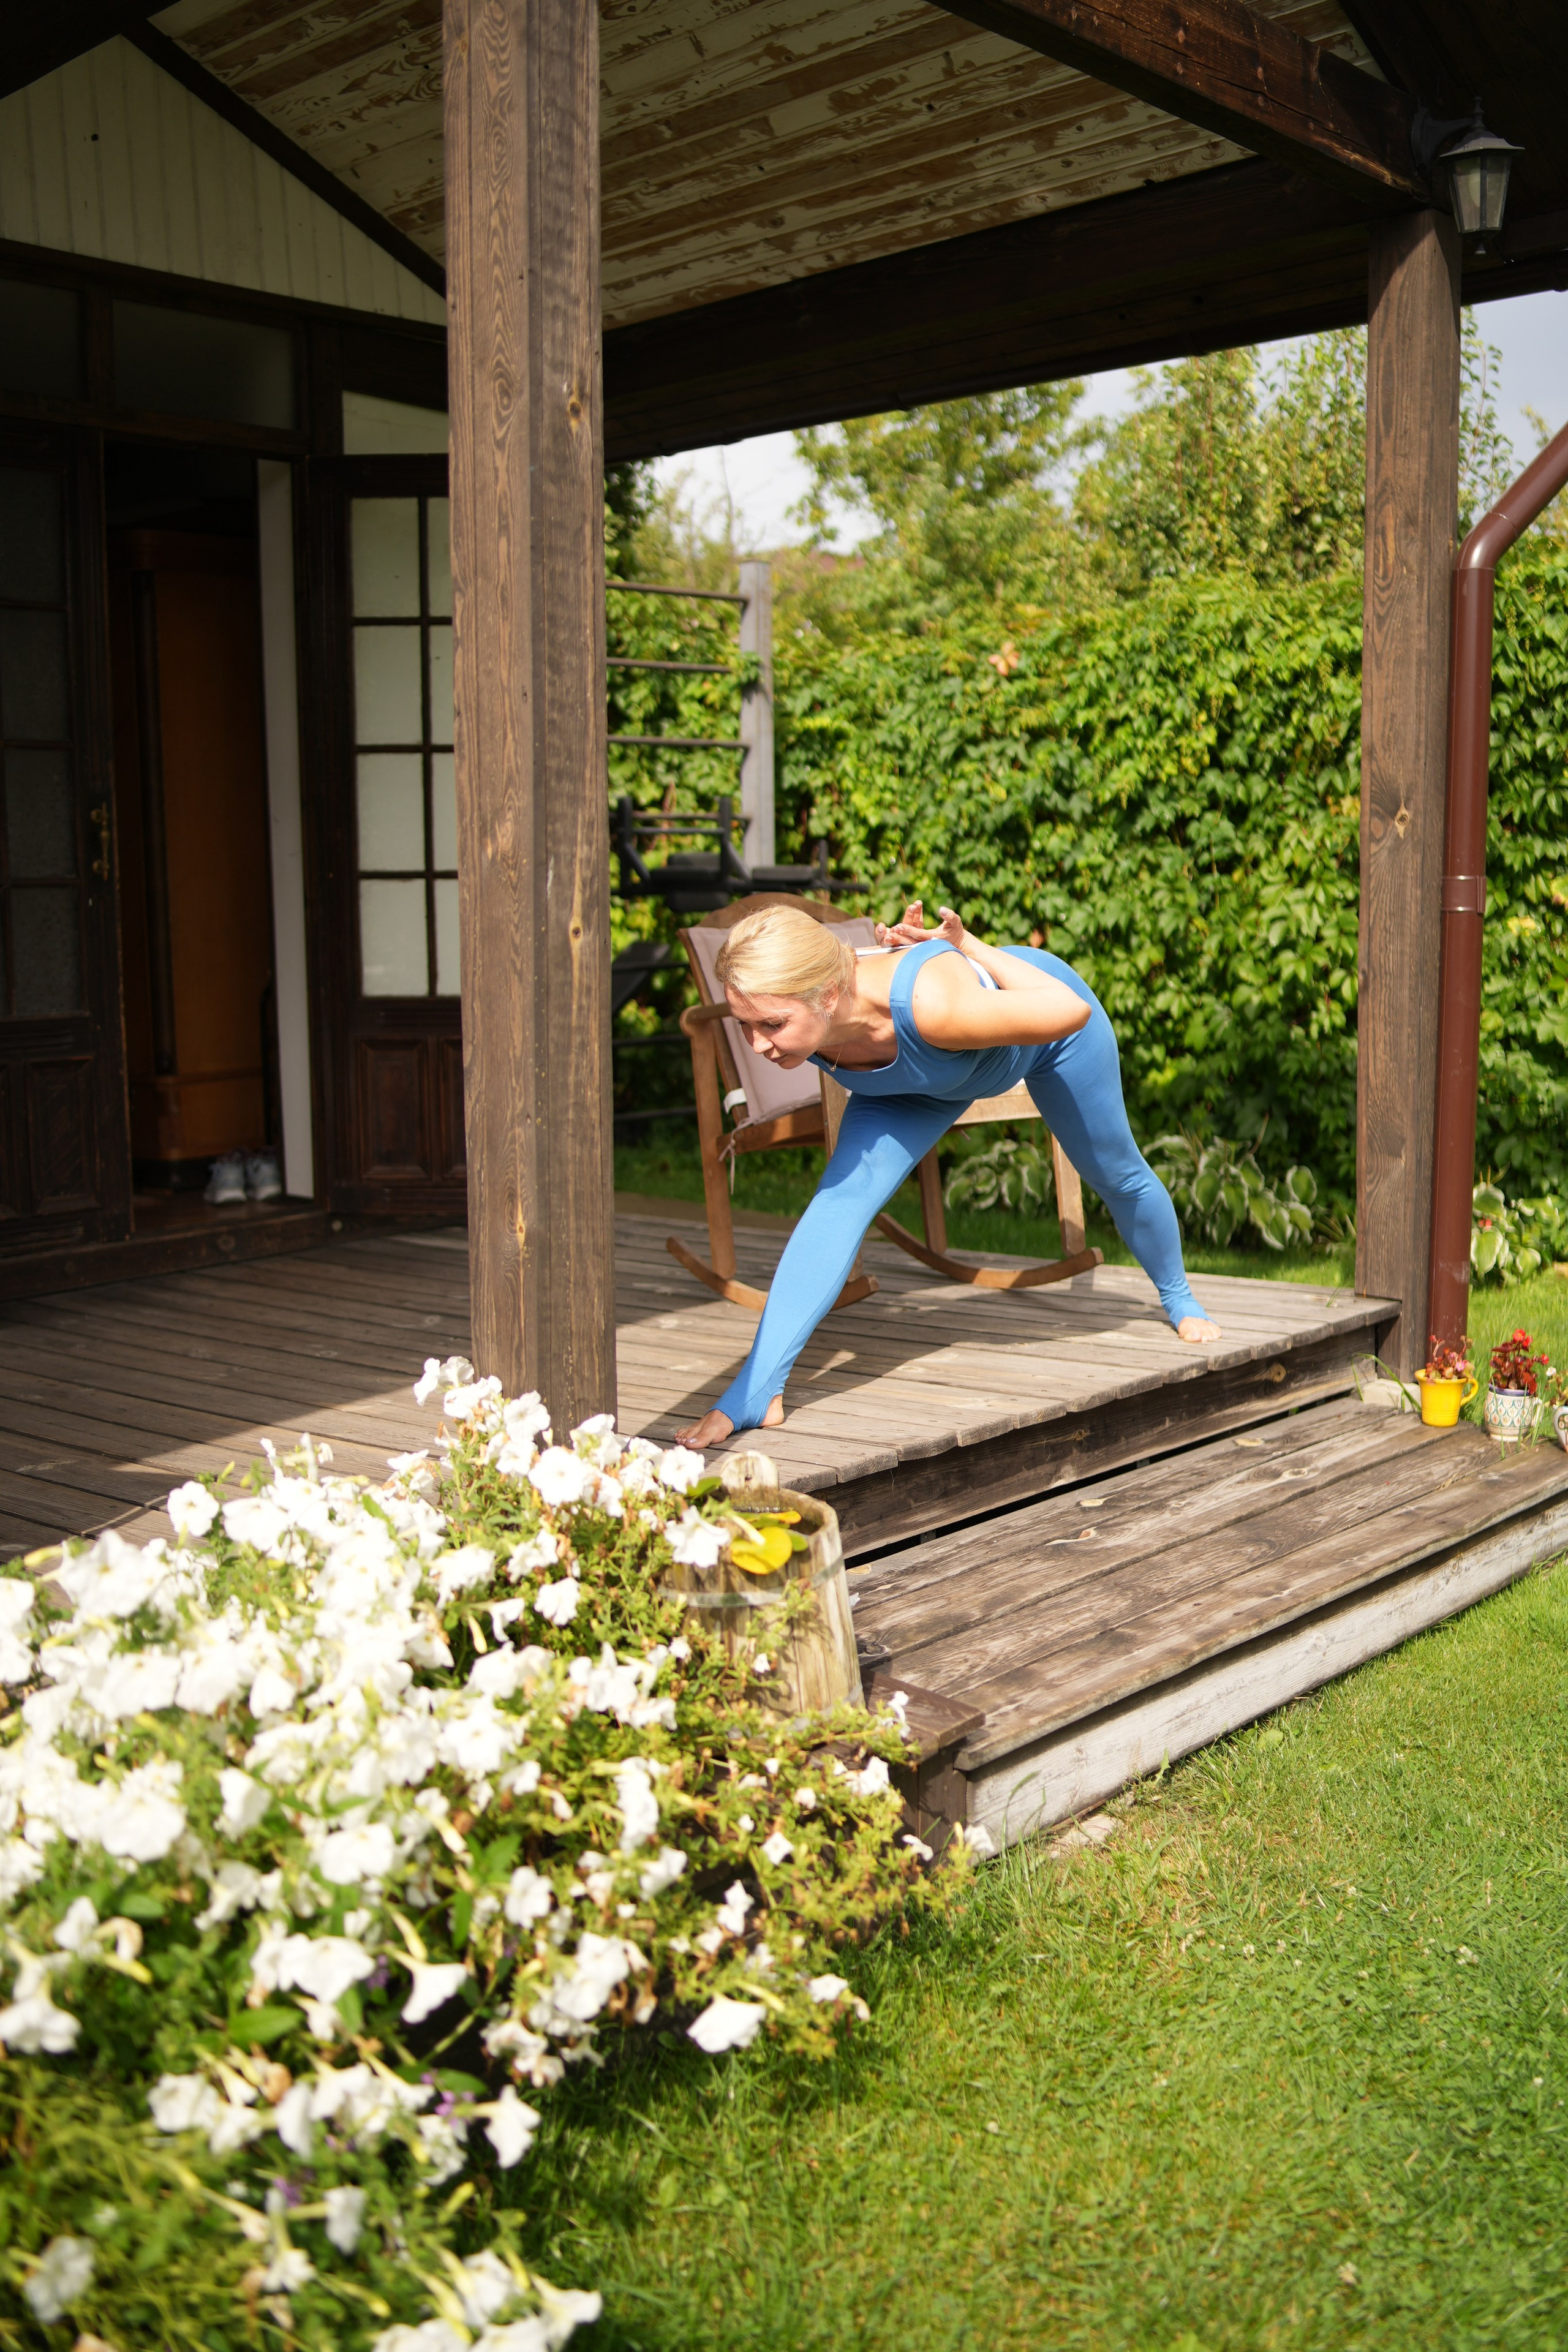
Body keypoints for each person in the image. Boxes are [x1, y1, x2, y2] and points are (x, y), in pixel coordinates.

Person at [675, 900, 1219, 1449]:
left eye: (772, 1025)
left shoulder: (931, 1002)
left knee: (1116, 1173)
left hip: (1046, 1040)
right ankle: (757, 1390)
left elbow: (1070, 1008)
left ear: (831, 995)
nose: (758, 1045)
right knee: (837, 1206)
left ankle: (1178, 1297)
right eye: (744, 1025)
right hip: (908, 1085)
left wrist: (968, 948)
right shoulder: (812, 994)